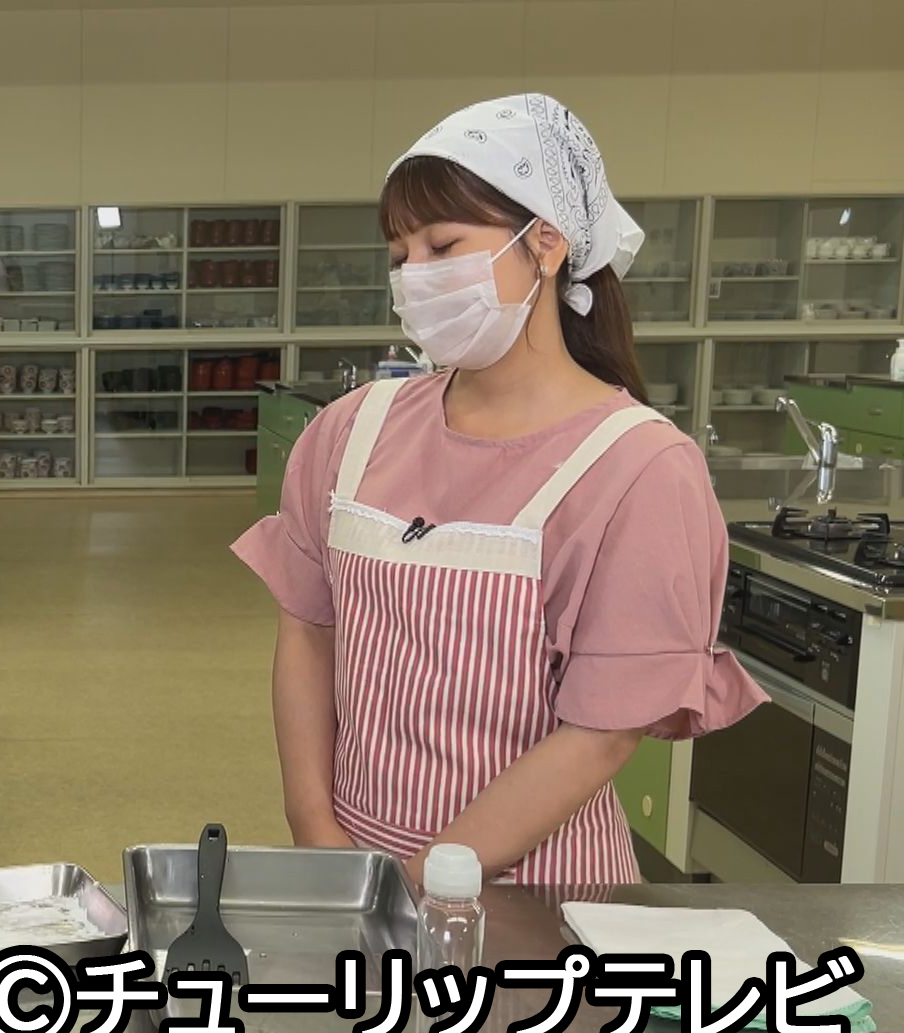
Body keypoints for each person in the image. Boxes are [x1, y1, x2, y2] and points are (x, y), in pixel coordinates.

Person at [233, 93, 764, 885]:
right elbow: (308, 632)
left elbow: (601, 733)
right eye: (400, 255)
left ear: (546, 243)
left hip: (538, 890)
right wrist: (316, 832)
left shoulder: (639, 467)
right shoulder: (351, 431)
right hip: (353, 863)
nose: (416, 276)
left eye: (443, 245)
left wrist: (422, 883)